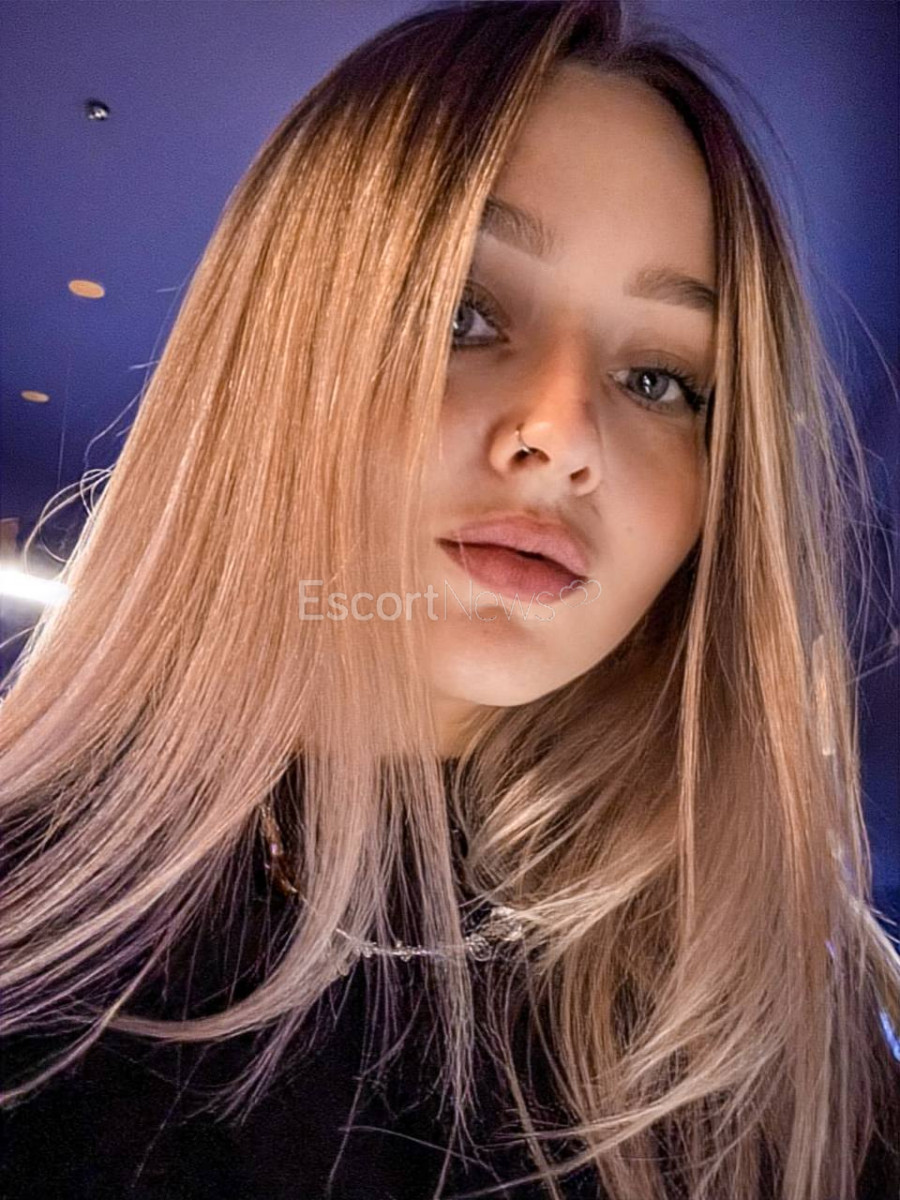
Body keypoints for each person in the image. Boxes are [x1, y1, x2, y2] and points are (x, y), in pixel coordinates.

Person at [1, 2, 898, 1197]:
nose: (562, 436)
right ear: (273, 354)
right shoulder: (34, 919)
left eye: (660, 379)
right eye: (462, 315)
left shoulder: (774, 1022)